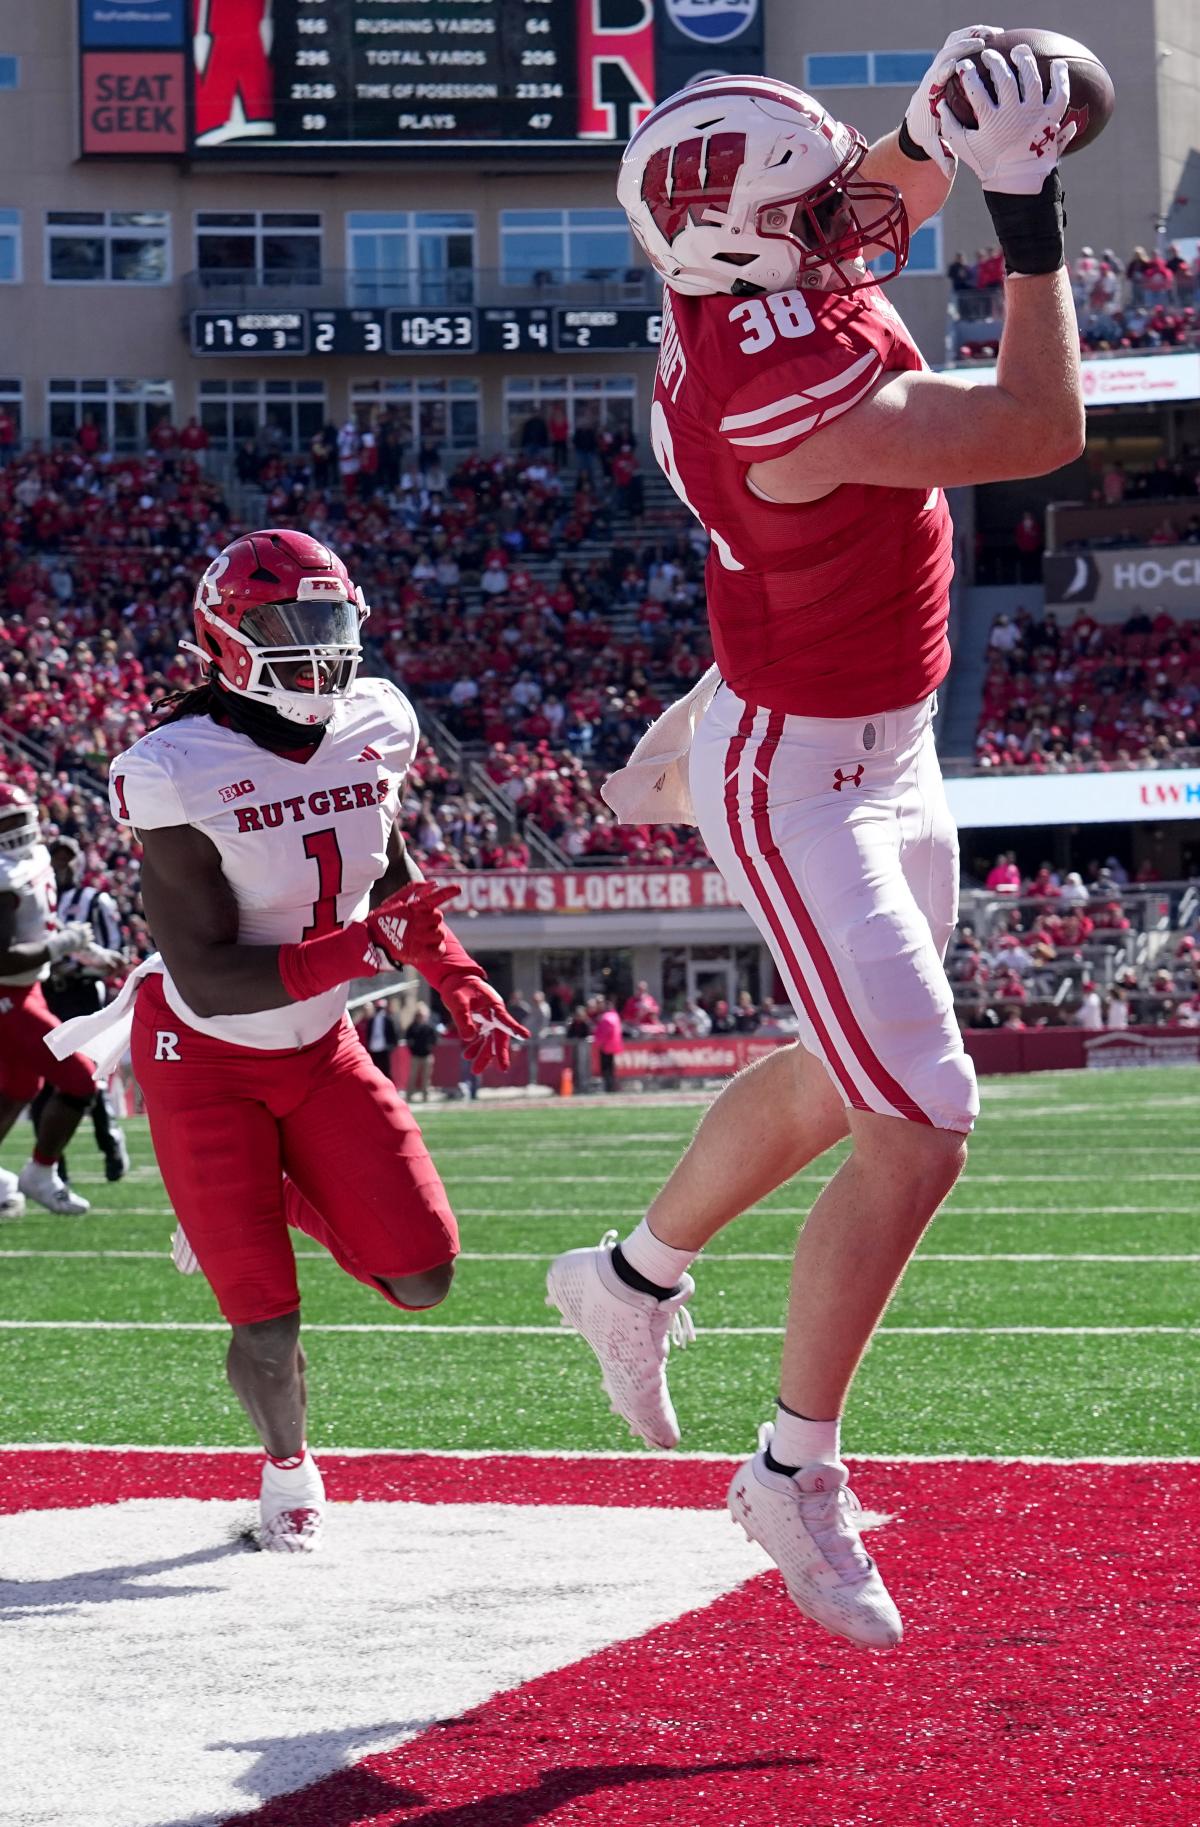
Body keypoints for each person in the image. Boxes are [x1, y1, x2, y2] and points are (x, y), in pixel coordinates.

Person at [547, 45, 1085, 1652]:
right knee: (922, 1118)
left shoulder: (742, 286)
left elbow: (866, 200)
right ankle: (793, 1465)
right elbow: (1040, 421)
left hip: (873, 730)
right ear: (743, 244)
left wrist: (947, 114)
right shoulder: (772, 379)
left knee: (854, 1072)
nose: (853, 209)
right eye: (813, 200)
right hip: (803, 778)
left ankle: (629, 1276)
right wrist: (1030, 212)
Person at [56, 530, 527, 1553]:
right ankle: (289, 1475)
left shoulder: (377, 721)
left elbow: (389, 873)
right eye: (288, 625)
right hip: (203, 1057)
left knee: (425, 1276)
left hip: (319, 1044)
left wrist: (458, 977)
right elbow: (208, 978)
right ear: (225, 637)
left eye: (328, 621)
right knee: (267, 1322)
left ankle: (262, 1199)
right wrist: (366, 950)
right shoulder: (171, 769)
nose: (317, 647)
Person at [0, 787, 124, 1216]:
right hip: (6, 993)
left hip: (27, 986)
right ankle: (40, 1172)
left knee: (21, 1087)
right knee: (80, 1076)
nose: (18, 829)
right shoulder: (4, 875)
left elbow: (41, 929)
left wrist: (84, 951)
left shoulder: (33, 860)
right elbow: (2, 957)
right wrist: (61, 946)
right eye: (7, 820)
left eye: (21, 818)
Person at [29, 836, 130, 1183]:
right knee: (44, 1082)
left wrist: (78, 963)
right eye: (56, 858)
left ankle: (109, 1141)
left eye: (68, 858)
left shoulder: (94, 899)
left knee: (88, 1073)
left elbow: (117, 951)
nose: (62, 865)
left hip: (83, 992)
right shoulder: (40, 899)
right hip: (47, 993)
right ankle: (55, 1167)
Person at [403, 999, 442, 1102]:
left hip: (427, 1055)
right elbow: (408, 1038)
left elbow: (434, 1039)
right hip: (415, 1055)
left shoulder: (429, 1027)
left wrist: (429, 1046)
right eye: (419, 1015)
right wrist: (412, 1047)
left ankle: (425, 1097)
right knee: (412, 1076)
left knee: (426, 1078)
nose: (420, 1017)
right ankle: (409, 1096)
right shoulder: (412, 1027)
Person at [362, 996, 400, 1080]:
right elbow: (369, 1033)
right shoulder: (372, 1020)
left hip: (384, 1048)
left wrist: (392, 1046)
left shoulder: (388, 1019)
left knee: (386, 1070)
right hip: (373, 1048)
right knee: (375, 1070)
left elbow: (394, 1033)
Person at [592, 997, 622, 1094]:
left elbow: (603, 1034)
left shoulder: (605, 1018)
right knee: (611, 1068)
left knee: (606, 1068)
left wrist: (597, 1044)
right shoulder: (615, 1016)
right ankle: (612, 1087)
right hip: (614, 1046)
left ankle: (609, 1088)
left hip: (606, 1046)